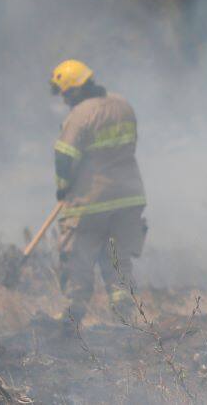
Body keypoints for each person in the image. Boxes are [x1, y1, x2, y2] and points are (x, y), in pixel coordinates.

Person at [48, 60, 147, 327]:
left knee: (77, 256)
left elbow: (64, 158)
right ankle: (125, 317)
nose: (65, 100)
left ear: (74, 91)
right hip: (129, 196)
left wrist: (63, 187)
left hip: (90, 200)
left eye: (65, 94)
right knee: (117, 258)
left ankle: (72, 314)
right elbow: (129, 145)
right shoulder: (123, 105)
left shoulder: (80, 115)